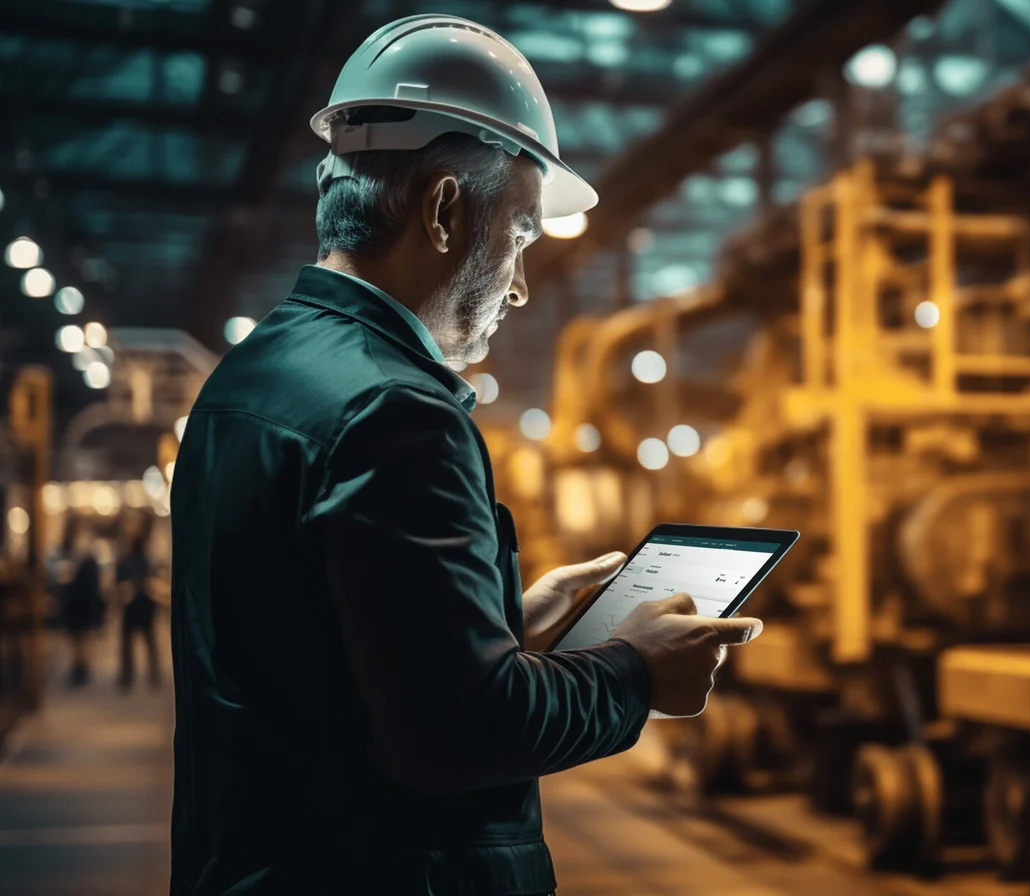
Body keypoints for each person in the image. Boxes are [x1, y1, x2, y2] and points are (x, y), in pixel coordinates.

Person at [168, 15, 762, 896]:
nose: (520, 283)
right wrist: (636, 673)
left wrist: (501, 627)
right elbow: (455, 736)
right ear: (445, 210)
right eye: (520, 234)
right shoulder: (394, 410)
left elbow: (323, 669)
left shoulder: (247, 381)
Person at [55, 517, 104, 687]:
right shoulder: (73, 557)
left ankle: (81, 670)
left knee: (82, 641)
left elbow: (93, 587)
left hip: (81, 605)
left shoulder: (86, 561)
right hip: (76, 606)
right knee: (78, 641)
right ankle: (79, 669)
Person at [115, 514, 161, 691]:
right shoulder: (145, 558)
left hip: (136, 604)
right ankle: (150, 676)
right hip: (143, 603)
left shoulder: (129, 559)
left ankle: (129, 677)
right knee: (147, 641)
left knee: (132, 642)